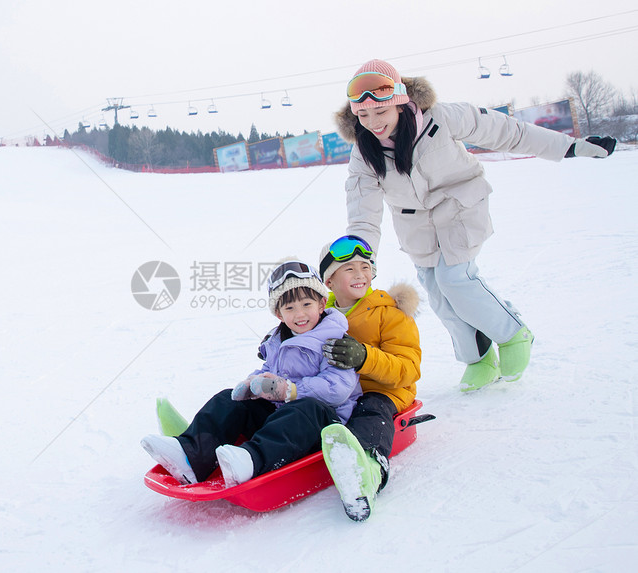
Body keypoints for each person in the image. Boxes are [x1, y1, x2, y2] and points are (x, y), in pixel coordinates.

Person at [335, 59, 616, 392]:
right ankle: (478, 358)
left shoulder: (442, 118)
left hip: (460, 204)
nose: (372, 124)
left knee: (455, 277)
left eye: (380, 112)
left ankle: (512, 334)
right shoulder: (363, 153)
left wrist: (570, 147)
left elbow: (510, 132)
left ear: (399, 100)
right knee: (436, 290)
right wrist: (359, 258)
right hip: (415, 223)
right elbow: (363, 212)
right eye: (363, 116)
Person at [141, 261, 361, 488]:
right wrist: (253, 384)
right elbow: (269, 371)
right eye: (290, 308)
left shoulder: (335, 340)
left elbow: (339, 388)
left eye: (307, 304)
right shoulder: (278, 339)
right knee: (229, 400)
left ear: (322, 303)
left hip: (323, 424)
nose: (300, 314)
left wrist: (291, 390)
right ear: (278, 313)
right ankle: (191, 455)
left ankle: (251, 461)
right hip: (282, 419)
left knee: (304, 408)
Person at [316, 235, 422, 521]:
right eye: (349, 269)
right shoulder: (317, 312)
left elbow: (408, 368)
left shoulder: (390, 314)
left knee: (370, 411)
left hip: (381, 392)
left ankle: (368, 470)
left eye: (365, 267)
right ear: (329, 281)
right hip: (335, 390)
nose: (360, 274)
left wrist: (365, 357)